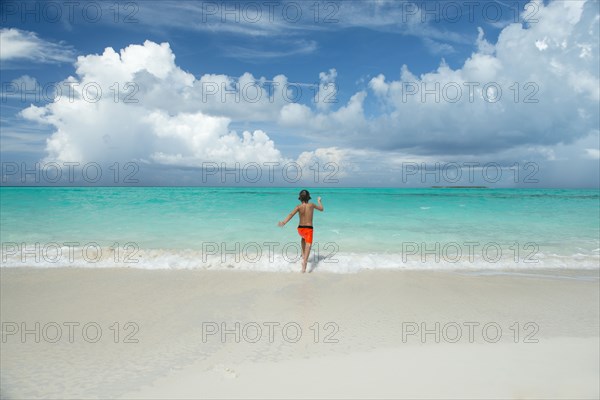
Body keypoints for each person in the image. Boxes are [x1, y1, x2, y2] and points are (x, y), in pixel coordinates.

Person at [278, 190, 324, 273]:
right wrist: (319, 201)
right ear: (308, 198)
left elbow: (291, 214)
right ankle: (304, 263)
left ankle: (303, 255)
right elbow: (321, 209)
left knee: (303, 238)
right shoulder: (312, 205)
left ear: (300, 198)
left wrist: (283, 222)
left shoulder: (298, 207)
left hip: (300, 229)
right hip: (308, 229)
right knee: (308, 244)